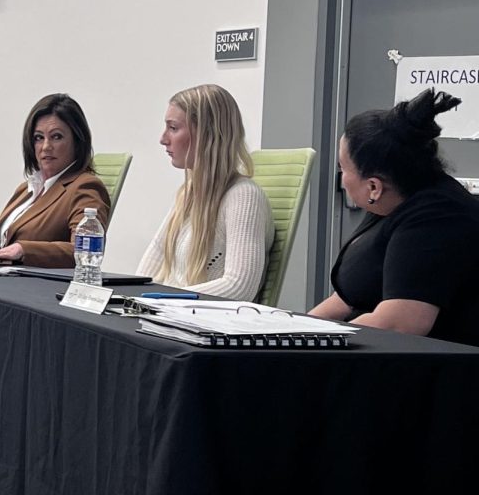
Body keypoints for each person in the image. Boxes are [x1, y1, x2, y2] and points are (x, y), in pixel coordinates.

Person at [310, 89, 479, 345]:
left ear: (374, 186)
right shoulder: (391, 202)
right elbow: (346, 298)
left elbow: (401, 323)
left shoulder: (438, 216)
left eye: (343, 168)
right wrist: (292, 330)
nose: (341, 179)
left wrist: (317, 343)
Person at [137, 84, 273, 299]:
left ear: (208, 135)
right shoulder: (188, 194)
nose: (163, 139)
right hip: (168, 317)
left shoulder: (244, 196)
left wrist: (160, 299)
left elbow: (239, 287)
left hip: (202, 325)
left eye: (173, 128)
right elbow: (150, 268)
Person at [0, 93, 110, 267]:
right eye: (39, 138)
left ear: (77, 141)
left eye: (56, 137)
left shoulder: (85, 187)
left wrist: (23, 250)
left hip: (37, 288)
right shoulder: (26, 189)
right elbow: (0, 243)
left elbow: (83, 251)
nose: (46, 147)